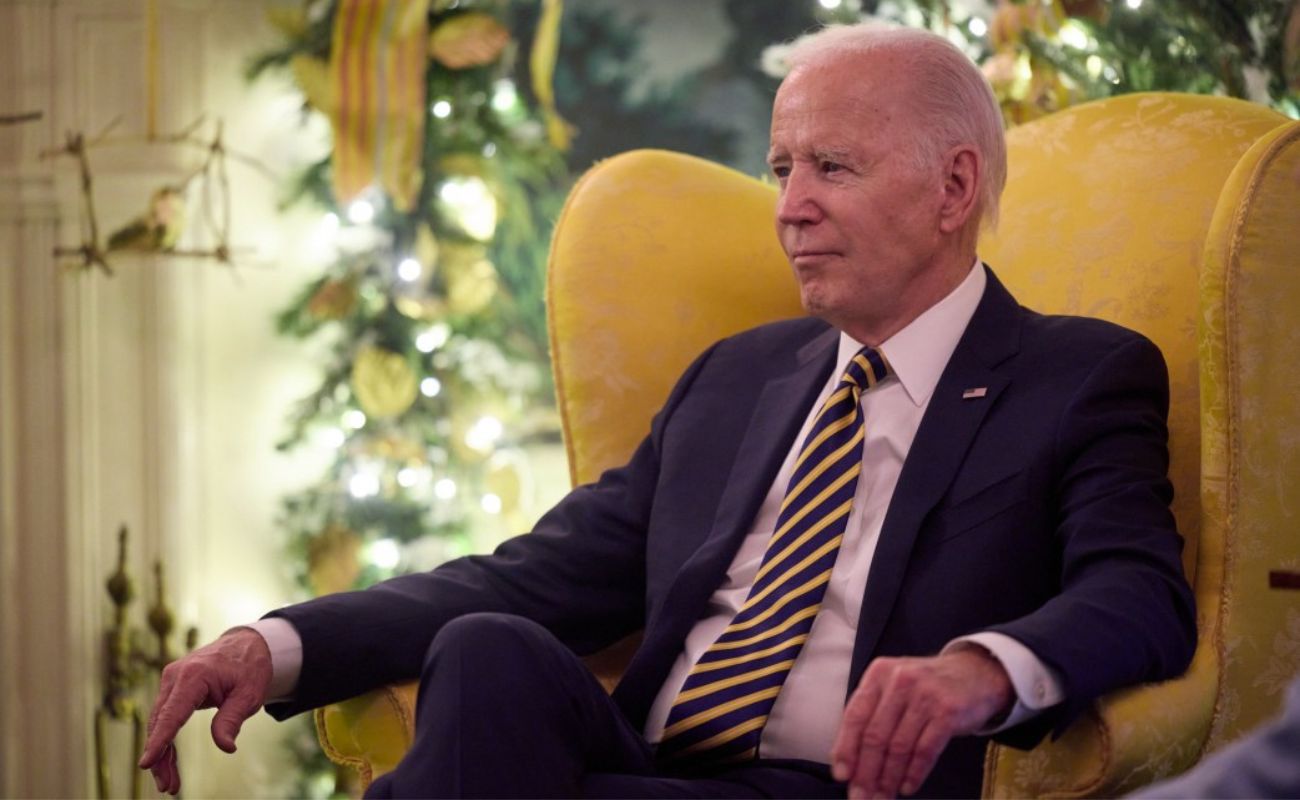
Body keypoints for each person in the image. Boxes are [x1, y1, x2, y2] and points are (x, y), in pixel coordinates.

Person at [139, 23, 1196, 799]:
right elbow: (535, 575)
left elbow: (1139, 591)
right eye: (781, 169)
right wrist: (271, 645)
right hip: (642, 762)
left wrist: (977, 671)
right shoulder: (736, 379)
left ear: (953, 189)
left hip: (829, 785)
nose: (789, 208)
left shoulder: (1074, 375)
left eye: (832, 167)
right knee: (488, 641)